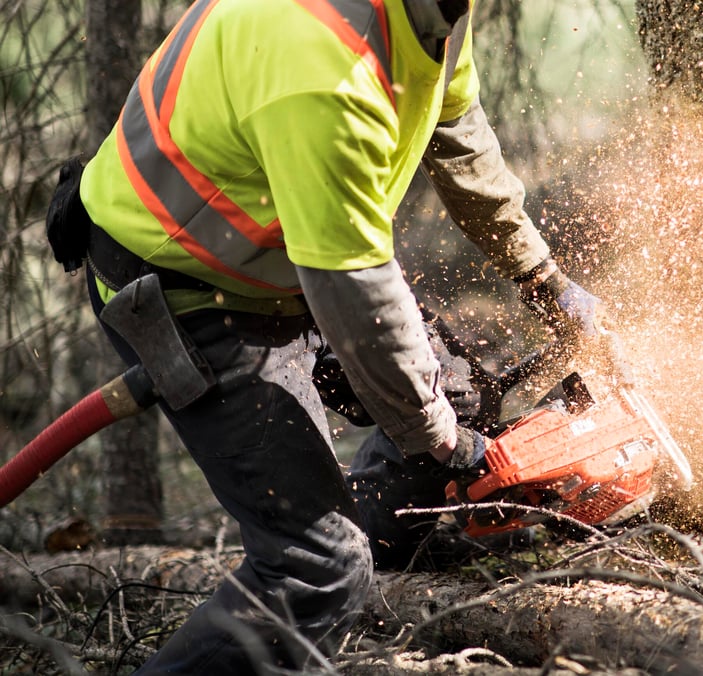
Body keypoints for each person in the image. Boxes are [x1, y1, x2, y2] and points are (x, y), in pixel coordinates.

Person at [54, 0, 598, 672]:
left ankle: (379, 557)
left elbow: (457, 126)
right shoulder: (323, 62)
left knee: (454, 402)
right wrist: (439, 439)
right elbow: (354, 286)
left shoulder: (431, 16)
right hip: (185, 288)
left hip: (288, 251)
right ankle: (338, 582)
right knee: (316, 570)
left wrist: (543, 278)